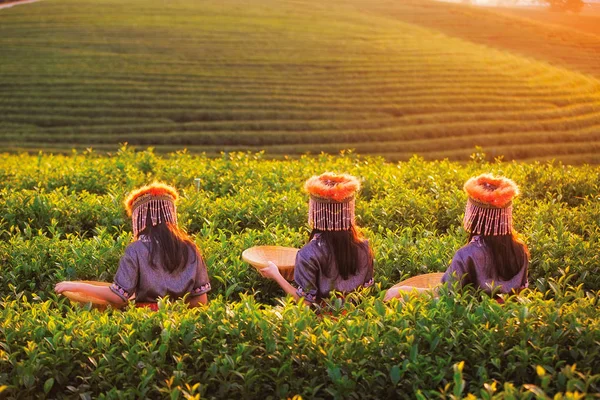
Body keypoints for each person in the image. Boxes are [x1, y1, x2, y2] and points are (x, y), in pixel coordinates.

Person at [55, 182, 211, 309]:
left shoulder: (136, 249)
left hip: (145, 323)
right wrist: (172, 308)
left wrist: (75, 286)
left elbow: (119, 296)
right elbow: (201, 300)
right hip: (181, 324)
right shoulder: (190, 248)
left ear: (140, 218)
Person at [385, 174, 529, 301]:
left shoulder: (467, 254)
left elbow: (444, 294)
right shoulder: (519, 249)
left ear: (475, 214)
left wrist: (402, 290)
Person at [260, 172, 374, 305]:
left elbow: (306, 303)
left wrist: (276, 275)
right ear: (348, 212)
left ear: (316, 212)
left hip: (323, 322)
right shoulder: (364, 247)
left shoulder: (308, 254)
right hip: (356, 320)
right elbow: (367, 293)